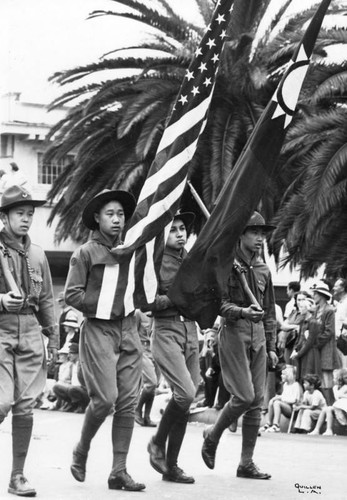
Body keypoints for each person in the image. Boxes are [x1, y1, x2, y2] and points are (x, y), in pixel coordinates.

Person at [64, 189, 145, 492]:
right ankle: (82, 448)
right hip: (98, 328)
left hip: (129, 327)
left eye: (121, 214)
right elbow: (71, 293)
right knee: (106, 399)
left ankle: (119, 471)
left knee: (128, 402)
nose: (116, 220)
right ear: (97, 218)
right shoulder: (85, 253)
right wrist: (105, 303)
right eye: (109, 214)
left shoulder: (131, 248)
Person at [201, 211, 278, 480]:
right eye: (254, 232)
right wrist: (243, 312)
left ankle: (246, 463)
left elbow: (269, 310)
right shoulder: (227, 265)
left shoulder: (263, 269)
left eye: (262, 233)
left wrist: (271, 347)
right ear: (241, 235)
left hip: (259, 336)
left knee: (256, 401)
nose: (260, 238)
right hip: (234, 331)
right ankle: (212, 434)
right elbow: (219, 306)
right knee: (244, 396)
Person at [0, 185, 58, 497]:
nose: (25, 219)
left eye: (30, 214)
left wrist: (54, 337)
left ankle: (17, 476)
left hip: (31, 332)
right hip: (1, 331)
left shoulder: (37, 254)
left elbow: (47, 299)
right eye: (19, 213)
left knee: (25, 408)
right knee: (1, 402)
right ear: (5, 216)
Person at [146, 210, 200, 484]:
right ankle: (156, 442)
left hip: (190, 330)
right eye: (174, 229)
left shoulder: (190, 259)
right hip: (166, 329)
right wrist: (175, 297)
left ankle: (172, 466)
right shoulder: (154, 261)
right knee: (185, 393)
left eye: (183, 229)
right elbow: (146, 301)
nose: (180, 233)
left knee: (186, 402)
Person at [311, 281, 341, 405]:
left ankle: (329, 407)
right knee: (319, 378)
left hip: (326, 349)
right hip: (317, 349)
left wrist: (316, 343)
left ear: (321, 295)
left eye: (315, 293)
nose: (313, 296)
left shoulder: (329, 310)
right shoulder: (316, 309)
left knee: (327, 380)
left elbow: (329, 331)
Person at [135, 309, 159, 427]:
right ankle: (137, 409)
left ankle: (147, 417)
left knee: (154, 386)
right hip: (143, 350)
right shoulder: (139, 313)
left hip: (156, 351)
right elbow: (132, 333)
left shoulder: (158, 312)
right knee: (151, 383)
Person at [260, 365, 302, 432]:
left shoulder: (296, 385)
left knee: (277, 403)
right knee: (272, 401)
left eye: (284, 374)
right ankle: (268, 423)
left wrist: (281, 399)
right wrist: (277, 398)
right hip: (286, 406)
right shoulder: (285, 385)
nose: (281, 376)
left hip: (293, 409)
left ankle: (276, 425)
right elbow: (284, 396)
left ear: (289, 375)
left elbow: (294, 400)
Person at [290, 294, 322, 382]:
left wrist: (298, 353)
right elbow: (300, 338)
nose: (300, 309)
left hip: (310, 353)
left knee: (308, 377)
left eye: (302, 307)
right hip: (303, 353)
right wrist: (295, 349)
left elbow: (309, 341)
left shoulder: (313, 322)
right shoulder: (303, 321)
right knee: (301, 377)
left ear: (307, 308)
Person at [309, 368, 347, 436]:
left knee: (329, 408)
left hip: (344, 408)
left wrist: (342, 396)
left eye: (334, 378)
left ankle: (331, 428)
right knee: (326, 409)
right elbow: (337, 399)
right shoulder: (335, 388)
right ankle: (318, 430)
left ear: (339, 379)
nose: (333, 380)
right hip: (338, 407)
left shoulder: (345, 387)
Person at [53, 343, 89, 413]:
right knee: (56, 387)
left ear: (78, 354)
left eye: (71, 353)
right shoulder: (71, 365)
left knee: (73, 389)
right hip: (73, 390)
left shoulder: (83, 365)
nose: (69, 356)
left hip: (84, 391)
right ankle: (71, 403)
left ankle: (81, 405)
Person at [333, 278, 347, 367]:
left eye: (336, 286)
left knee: (344, 368)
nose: (333, 288)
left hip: (343, 342)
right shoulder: (341, 303)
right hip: (337, 341)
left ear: (342, 288)